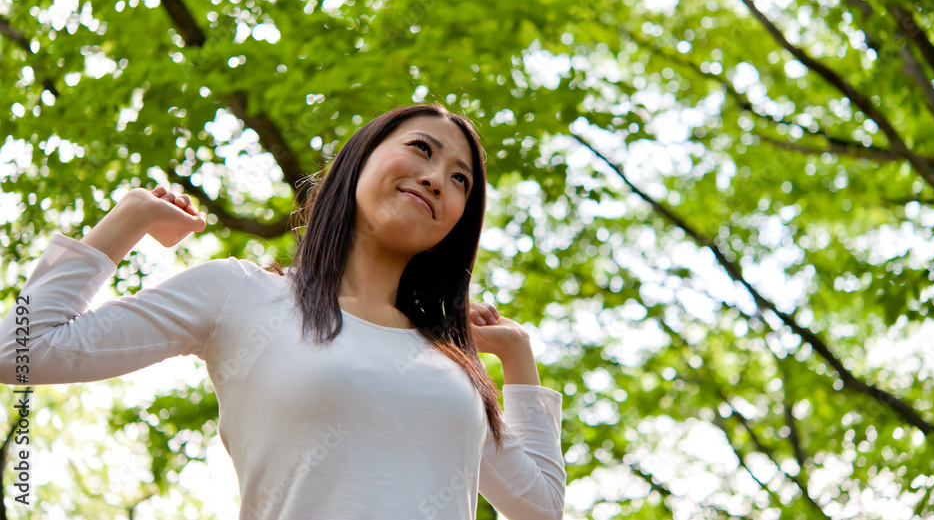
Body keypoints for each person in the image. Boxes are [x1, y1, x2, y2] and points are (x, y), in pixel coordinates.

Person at [0, 103, 566, 519]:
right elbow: (19, 351)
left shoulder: (453, 369)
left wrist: (516, 357)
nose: (437, 178)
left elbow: (539, 508)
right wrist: (130, 218)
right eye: (422, 148)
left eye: (460, 179)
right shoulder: (241, 295)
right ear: (358, 160)